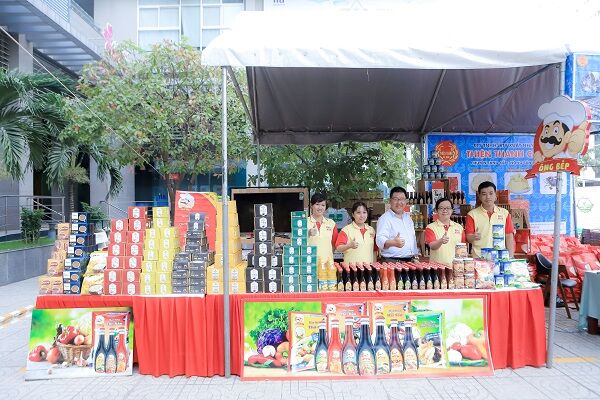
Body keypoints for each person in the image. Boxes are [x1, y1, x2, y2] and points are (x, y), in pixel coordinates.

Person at [465, 181, 515, 257]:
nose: (488, 197)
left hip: (499, 257)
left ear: (495, 195)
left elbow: (509, 236)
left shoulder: (505, 213)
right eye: (484, 194)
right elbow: (468, 237)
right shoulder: (472, 214)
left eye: (491, 193)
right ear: (479, 196)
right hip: (479, 257)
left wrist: (510, 256)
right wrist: (473, 237)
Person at [376, 186, 418, 262]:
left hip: (410, 260)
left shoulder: (408, 218)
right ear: (390, 201)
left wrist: (415, 255)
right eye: (395, 199)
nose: (399, 202)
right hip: (392, 261)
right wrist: (393, 243)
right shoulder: (385, 218)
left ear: (406, 201)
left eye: (402, 199)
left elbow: (412, 238)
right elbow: (380, 240)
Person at [424, 198, 466, 266]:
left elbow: (463, 248)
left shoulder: (459, 227)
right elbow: (432, 246)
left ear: (452, 210)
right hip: (437, 268)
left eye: (448, 208)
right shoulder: (430, 227)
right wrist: (441, 241)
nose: (445, 210)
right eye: (441, 208)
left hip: (456, 267)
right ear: (436, 210)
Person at [308, 193, 338, 264]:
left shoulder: (331, 223)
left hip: (327, 264)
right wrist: (308, 233)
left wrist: (327, 256)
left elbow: (334, 244)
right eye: (317, 204)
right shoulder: (304, 222)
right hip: (309, 264)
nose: (320, 207)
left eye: (323, 205)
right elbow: (297, 241)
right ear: (311, 205)